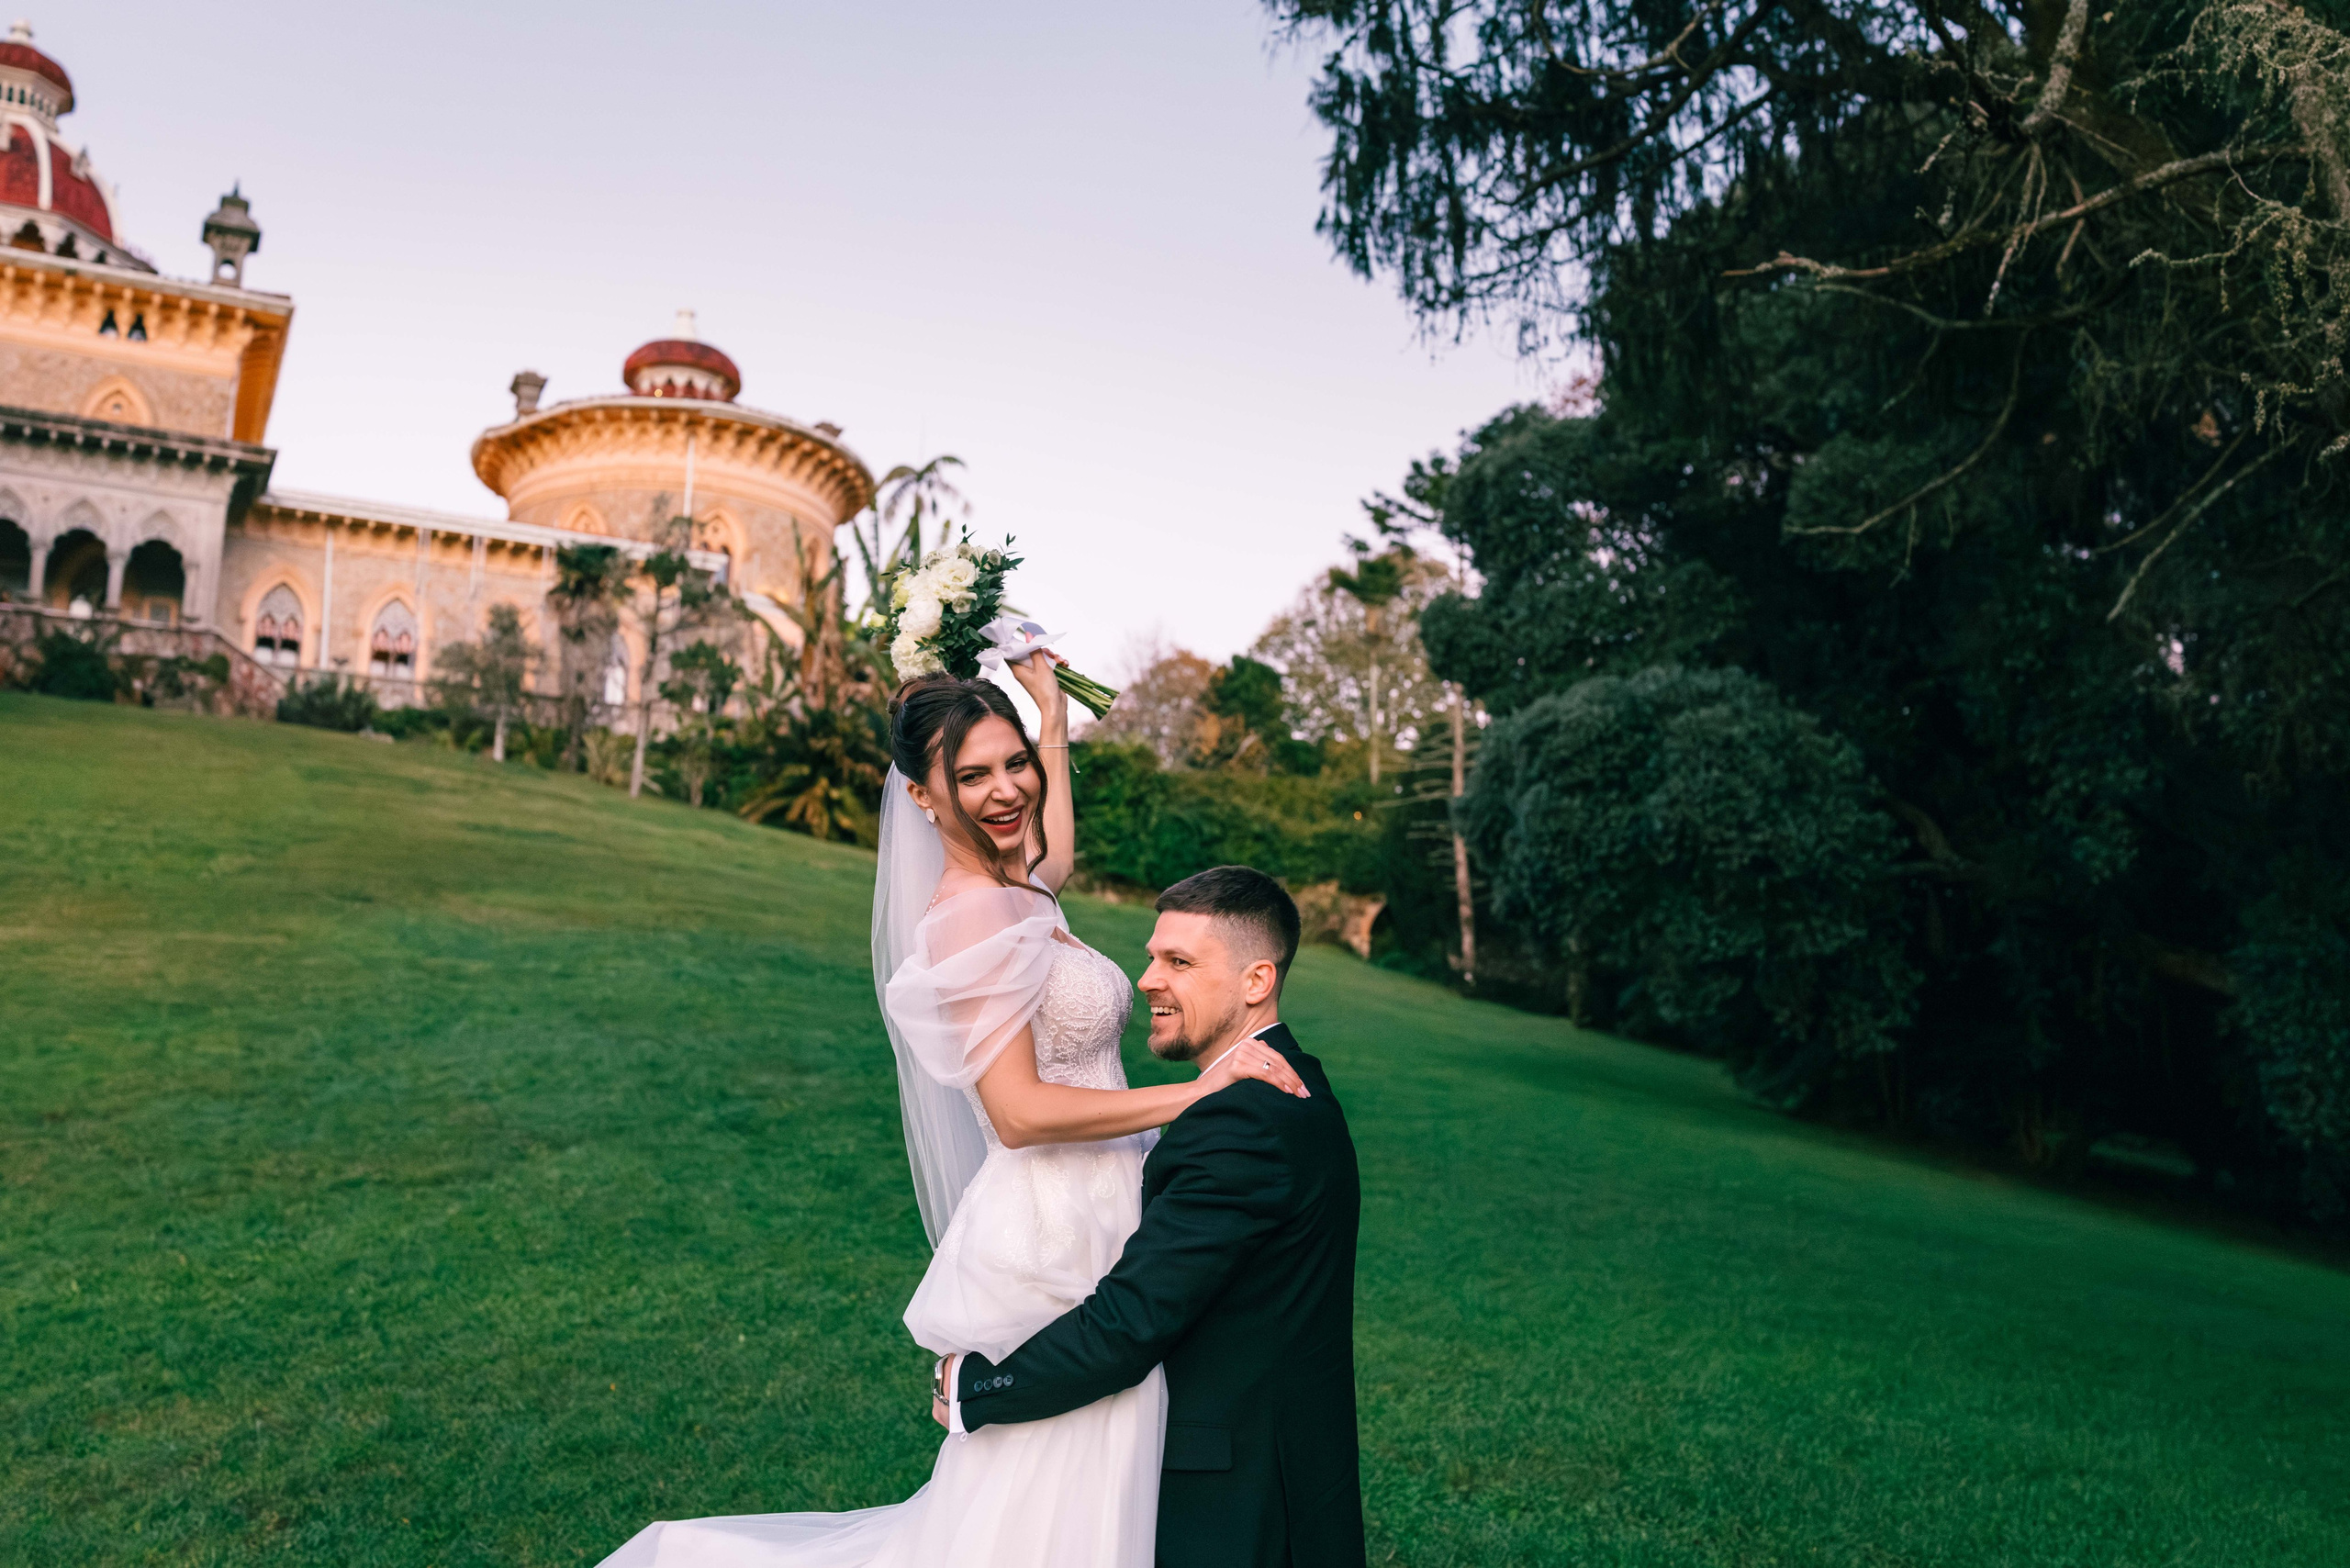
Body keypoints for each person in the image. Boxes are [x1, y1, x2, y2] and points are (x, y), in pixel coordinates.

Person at [594, 648, 1309, 1568]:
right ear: (924, 798)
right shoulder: (970, 915)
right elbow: (1015, 1111)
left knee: (1099, 1469)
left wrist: (1049, 711)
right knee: (1058, 1483)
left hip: (1103, 1202)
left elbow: (1055, 841)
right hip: (1054, 1223)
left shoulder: (1021, 887)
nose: (1007, 788)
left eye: (1013, 762)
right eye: (973, 774)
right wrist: (1199, 1090)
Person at [938, 865, 1366, 1568]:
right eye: (1150, 956)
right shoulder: (1294, 1080)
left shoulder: (1242, 1124)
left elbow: (1128, 1325)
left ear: (1256, 982)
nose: (1147, 980)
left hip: (1236, 1507)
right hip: (1285, 1479)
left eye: (1179, 962)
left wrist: (974, 1388)